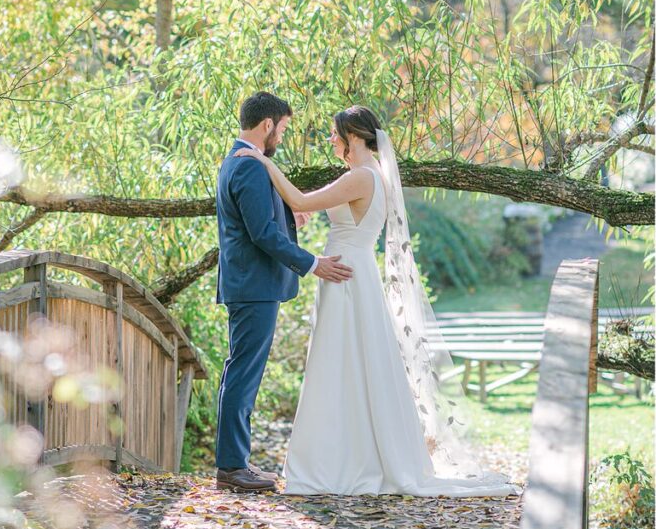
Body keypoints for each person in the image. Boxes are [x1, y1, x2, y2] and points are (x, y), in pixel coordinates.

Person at [234, 104, 518, 497]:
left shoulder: (363, 177)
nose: (330, 139)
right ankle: (348, 456)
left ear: (352, 136)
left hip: (344, 274)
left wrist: (262, 162)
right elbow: (316, 210)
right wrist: (296, 214)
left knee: (342, 362)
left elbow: (300, 199)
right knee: (347, 364)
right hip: (352, 270)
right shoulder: (366, 177)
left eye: (334, 133)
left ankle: (342, 463)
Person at [215, 91, 353, 493]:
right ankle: (232, 467)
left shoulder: (237, 163)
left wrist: (289, 214)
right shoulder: (251, 168)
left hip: (248, 284)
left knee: (240, 371)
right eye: (283, 129)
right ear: (267, 125)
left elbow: (257, 221)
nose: (282, 137)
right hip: (253, 286)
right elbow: (261, 234)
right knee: (242, 373)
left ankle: (234, 462)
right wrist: (313, 263)